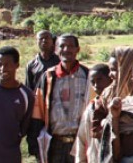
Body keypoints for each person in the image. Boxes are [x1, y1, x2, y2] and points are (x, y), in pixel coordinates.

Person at [30, 34, 91, 163]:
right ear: (56, 49)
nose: (66, 50)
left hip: (80, 142)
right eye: (62, 46)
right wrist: (34, 144)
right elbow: (38, 112)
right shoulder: (48, 77)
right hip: (55, 144)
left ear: (77, 49)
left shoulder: (87, 76)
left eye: (70, 46)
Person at [24, 30, 60, 156]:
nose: (44, 41)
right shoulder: (32, 65)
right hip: (37, 109)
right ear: (37, 41)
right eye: (41, 38)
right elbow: (29, 89)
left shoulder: (59, 62)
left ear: (52, 41)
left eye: (47, 38)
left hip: (56, 107)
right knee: (37, 143)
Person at [74, 64, 113, 163]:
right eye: (92, 82)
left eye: (99, 80)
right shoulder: (91, 109)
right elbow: (81, 140)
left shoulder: (118, 106)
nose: (96, 85)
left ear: (110, 79)